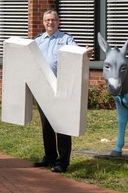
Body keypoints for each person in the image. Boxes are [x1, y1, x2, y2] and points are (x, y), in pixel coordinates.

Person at [33, 9, 93, 173]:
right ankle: (50, 157)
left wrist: (85, 52)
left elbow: (77, 52)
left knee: (61, 125)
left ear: (58, 22)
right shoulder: (37, 41)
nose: (50, 23)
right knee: (47, 125)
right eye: (47, 20)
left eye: (53, 20)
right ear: (43, 22)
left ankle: (62, 161)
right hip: (43, 88)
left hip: (60, 88)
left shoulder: (66, 39)